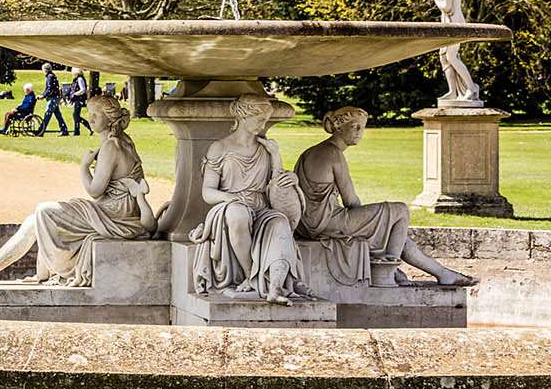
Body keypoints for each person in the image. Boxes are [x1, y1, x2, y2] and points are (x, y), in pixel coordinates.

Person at [0, 96, 157, 287]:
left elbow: (95, 191)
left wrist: (84, 167)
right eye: (89, 113)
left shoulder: (111, 146)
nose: (89, 119)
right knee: (34, 221)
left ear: (110, 118)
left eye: (95, 115)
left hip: (114, 216)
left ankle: (49, 269)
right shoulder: (124, 140)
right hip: (116, 211)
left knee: (45, 211)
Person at [295, 107, 476, 286]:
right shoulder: (333, 153)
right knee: (400, 210)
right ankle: (388, 272)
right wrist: (368, 223)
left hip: (308, 224)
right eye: (355, 126)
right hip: (327, 222)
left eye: (362, 127)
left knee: (394, 234)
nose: (360, 132)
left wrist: (376, 225)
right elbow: (351, 201)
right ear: (339, 128)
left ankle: (443, 273)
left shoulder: (311, 152)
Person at [189, 94, 305, 305]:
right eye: (260, 119)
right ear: (243, 116)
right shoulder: (220, 147)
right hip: (228, 207)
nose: (264, 124)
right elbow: (208, 192)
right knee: (238, 214)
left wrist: (283, 165)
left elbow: (277, 185)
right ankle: (251, 276)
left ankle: (275, 287)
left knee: (279, 222)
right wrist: (231, 198)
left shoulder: (266, 148)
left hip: (260, 207)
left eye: (266, 119)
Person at [35, 63, 69, 137]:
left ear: (45, 70)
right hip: (55, 98)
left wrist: (43, 96)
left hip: (53, 98)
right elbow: (47, 89)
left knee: (47, 114)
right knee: (58, 115)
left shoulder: (50, 77)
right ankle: (64, 130)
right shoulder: (51, 76)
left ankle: (41, 131)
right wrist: (42, 95)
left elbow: (50, 89)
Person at [69, 67, 93, 136]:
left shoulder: (79, 79)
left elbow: (83, 90)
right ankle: (78, 130)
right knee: (76, 115)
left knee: (76, 115)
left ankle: (84, 128)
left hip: (79, 99)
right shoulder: (77, 79)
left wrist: (74, 94)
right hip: (78, 99)